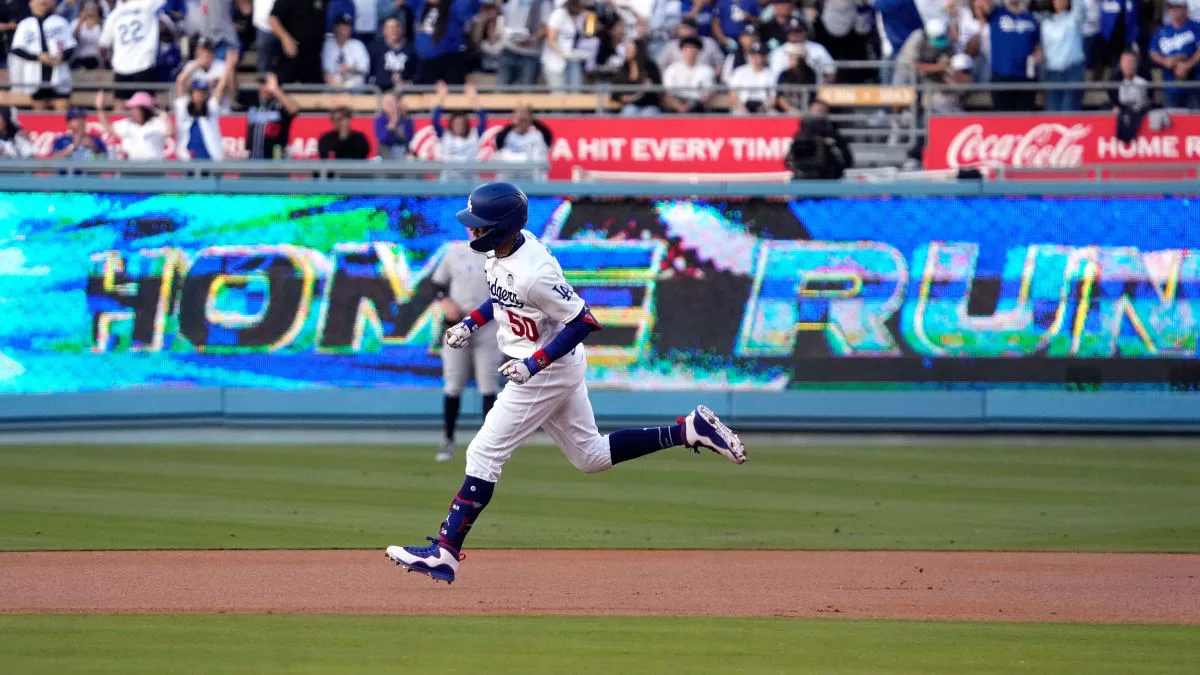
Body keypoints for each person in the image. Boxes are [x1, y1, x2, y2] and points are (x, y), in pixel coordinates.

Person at [384, 181, 747, 584]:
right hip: (548, 363)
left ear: (501, 227)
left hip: (546, 368)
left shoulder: (535, 272)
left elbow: (584, 320)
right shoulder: (501, 251)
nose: (472, 230)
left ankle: (445, 552)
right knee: (590, 456)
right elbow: (504, 297)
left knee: (483, 453)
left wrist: (534, 364)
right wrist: (471, 323)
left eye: (480, 224)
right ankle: (688, 431)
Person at [429, 239, 503, 462]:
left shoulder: (500, 252)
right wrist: (444, 302)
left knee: (488, 384)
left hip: (488, 324)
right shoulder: (455, 250)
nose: (475, 229)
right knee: (453, 383)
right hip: (457, 324)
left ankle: (488, 446)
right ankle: (448, 440)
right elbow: (437, 284)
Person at [10, 0, 75, 111]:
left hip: (58, 74)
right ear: (31, 3)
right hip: (36, 76)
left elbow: (71, 46)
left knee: (62, 113)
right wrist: (38, 57)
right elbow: (17, 48)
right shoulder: (25, 24)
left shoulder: (60, 22)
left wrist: (61, 56)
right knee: (40, 115)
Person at [100, 0, 166, 99]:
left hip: (121, 67)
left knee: (121, 108)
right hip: (143, 64)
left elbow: (103, 45)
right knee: (145, 107)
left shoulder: (114, 15)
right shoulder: (147, 4)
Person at [988, 0, 1040, 111]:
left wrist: (1037, 56)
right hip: (1001, 75)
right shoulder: (997, 13)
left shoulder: (1031, 19)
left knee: (1024, 118)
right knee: (1003, 118)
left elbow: (1037, 45)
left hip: (1026, 77)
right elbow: (981, 4)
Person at [409, 0, 476, 85]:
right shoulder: (420, 4)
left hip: (450, 61)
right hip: (423, 62)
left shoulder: (456, 6)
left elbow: (469, 8)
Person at [95, 90, 174, 159]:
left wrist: (163, 114)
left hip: (154, 171)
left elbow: (170, 132)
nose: (131, 111)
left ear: (143, 109)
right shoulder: (126, 123)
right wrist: (100, 108)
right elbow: (109, 128)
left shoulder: (157, 123)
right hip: (130, 170)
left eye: (134, 108)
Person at [1151, 0, 1200, 109]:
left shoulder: (1195, 27)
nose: (1174, 11)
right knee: (1173, 117)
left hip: (1193, 82)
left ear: (1185, 9)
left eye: (1178, 8)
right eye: (1172, 8)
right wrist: (1165, 61)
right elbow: (1153, 52)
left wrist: (1188, 64)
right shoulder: (1161, 30)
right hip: (1170, 83)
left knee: (1195, 118)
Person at [431, 80, 485, 178]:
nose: (459, 126)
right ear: (451, 124)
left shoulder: (473, 135)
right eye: (456, 123)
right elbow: (435, 120)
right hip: (448, 184)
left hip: (469, 185)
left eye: (461, 123)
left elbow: (483, 119)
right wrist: (441, 97)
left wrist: (474, 98)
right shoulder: (445, 135)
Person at [785, 100, 852, 179]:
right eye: (814, 112)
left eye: (820, 111)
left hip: (828, 182)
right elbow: (788, 162)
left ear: (826, 114)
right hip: (803, 181)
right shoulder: (800, 137)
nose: (816, 115)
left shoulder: (834, 137)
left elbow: (847, 161)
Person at [1041, 0, 1088, 112]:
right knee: (1052, 111)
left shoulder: (1074, 18)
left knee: (1070, 111)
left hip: (1072, 72)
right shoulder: (1045, 22)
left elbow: (1081, 8)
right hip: (1052, 73)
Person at [241, 71, 299, 159]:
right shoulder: (253, 100)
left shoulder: (281, 104)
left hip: (276, 163)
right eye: (261, 84)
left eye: (266, 84)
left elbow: (294, 110)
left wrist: (276, 91)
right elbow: (233, 94)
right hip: (253, 161)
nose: (262, 87)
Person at [174, 64, 226, 161]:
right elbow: (180, 81)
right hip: (187, 159)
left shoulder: (211, 109)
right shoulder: (183, 108)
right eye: (197, 92)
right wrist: (199, 63)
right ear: (192, 93)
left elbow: (221, 85)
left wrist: (230, 65)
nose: (200, 95)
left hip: (210, 158)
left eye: (203, 92)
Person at [270, 0, 326, 83]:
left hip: (314, 53)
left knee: (314, 88)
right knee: (282, 84)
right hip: (292, 51)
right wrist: (285, 38)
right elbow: (272, 18)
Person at [495, 0, 547, 85]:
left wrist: (532, 39)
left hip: (530, 54)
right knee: (501, 92)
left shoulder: (543, 2)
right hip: (508, 50)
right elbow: (500, 10)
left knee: (526, 93)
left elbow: (546, 27)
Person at [769, 17, 836, 82]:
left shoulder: (818, 48)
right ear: (787, 34)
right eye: (791, 32)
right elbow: (775, 77)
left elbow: (831, 72)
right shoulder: (779, 52)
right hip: (787, 89)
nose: (795, 35)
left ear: (806, 32)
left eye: (798, 31)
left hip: (814, 88)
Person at [541, 0, 587, 91]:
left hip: (573, 60)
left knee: (575, 93)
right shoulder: (559, 14)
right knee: (559, 94)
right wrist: (564, 53)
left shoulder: (580, 17)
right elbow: (551, 39)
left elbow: (586, 36)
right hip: (554, 61)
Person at [662, 35, 716, 112]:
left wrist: (690, 106)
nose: (690, 51)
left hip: (697, 104)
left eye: (693, 48)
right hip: (676, 103)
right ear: (682, 50)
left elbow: (707, 94)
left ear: (699, 51)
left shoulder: (707, 70)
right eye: (687, 48)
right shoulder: (672, 69)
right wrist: (679, 107)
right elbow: (668, 93)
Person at [612, 39, 664, 115]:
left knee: (648, 114)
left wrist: (650, 84)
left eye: (630, 49)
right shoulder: (623, 69)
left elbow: (659, 88)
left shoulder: (650, 66)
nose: (627, 51)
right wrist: (623, 98)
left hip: (649, 105)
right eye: (627, 49)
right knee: (629, 112)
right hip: (631, 106)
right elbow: (615, 92)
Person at [657, 16, 723, 73]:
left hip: (704, 81)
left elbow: (720, 64)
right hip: (677, 83)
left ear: (694, 29)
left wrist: (713, 76)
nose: (680, 30)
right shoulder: (671, 45)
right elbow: (660, 65)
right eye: (679, 28)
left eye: (684, 27)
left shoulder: (709, 43)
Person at [322, 13, 370, 89]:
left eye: (348, 26)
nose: (346, 29)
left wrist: (349, 68)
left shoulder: (357, 44)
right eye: (342, 26)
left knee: (356, 82)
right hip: (334, 82)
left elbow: (364, 68)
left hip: (353, 81)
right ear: (335, 27)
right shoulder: (328, 45)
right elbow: (326, 71)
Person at [370, 16, 417, 89]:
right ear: (384, 30)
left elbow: (416, 73)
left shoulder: (413, 49)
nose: (394, 30)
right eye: (390, 27)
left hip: (407, 92)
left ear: (403, 30)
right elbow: (372, 74)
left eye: (397, 26)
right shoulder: (375, 48)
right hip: (381, 91)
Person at [728, 41, 776, 113]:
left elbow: (773, 98)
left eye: (760, 55)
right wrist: (742, 110)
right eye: (754, 55)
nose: (757, 58)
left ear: (765, 57)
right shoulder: (740, 71)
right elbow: (732, 95)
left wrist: (762, 110)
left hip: (764, 110)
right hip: (742, 109)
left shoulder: (771, 74)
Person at [774, 40, 818, 113]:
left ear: (801, 59)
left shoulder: (811, 74)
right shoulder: (784, 74)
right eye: (790, 56)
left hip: (807, 111)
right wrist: (791, 110)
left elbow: (815, 96)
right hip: (786, 112)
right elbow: (779, 97)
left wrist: (806, 111)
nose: (789, 58)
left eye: (792, 57)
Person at [374, 90, 414, 159]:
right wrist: (392, 123)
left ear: (397, 103)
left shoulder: (406, 120)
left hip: (403, 154)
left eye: (391, 102)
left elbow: (409, 138)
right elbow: (383, 138)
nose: (388, 104)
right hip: (385, 155)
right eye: (386, 102)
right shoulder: (380, 120)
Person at [1109, 48, 1148, 112]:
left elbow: (1149, 98)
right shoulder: (1114, 80)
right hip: (1121, 112)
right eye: (1126, 62)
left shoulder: (1144, 78)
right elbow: (1114, 101)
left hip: (1141, 112)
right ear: (1120, 64)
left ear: (1136, 63)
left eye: (1131, 62)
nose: (1128, 65)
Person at [70, 1, 104, 70]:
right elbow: (71, 39)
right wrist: (80, 21)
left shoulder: (102, 25)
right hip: (78, 57)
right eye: (88, 7)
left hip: (95, 58)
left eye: (93, 7)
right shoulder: (76, 23)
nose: (91, 9)